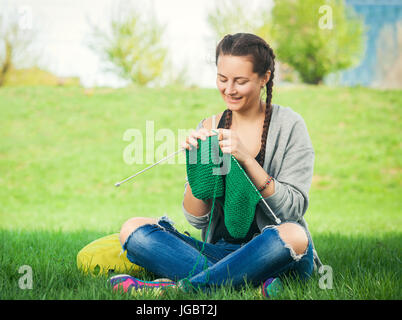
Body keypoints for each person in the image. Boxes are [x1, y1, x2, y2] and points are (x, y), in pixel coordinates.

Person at [109, 33, 322, 297]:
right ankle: (248, 283)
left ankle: (179, 288)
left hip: (276, 250)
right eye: (222, 79)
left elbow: (293, 209)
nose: (229, 89)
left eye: (240, 81)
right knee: (134, 230)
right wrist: (196, 163)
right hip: (221, 250)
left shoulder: (290, 125)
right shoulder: (210, 127)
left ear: (264, 78)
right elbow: (197, 219)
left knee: (295, 235)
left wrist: (246, 159)